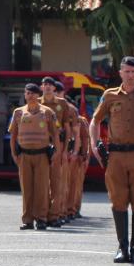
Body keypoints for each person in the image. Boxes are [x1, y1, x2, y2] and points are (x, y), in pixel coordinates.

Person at [89, 56, 134, 264]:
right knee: (118, 200)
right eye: (126, 71)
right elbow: (95, 120)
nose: (130, 75)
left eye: (133, 72)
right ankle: (122, 247)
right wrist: (94, 144)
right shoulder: (109, 95)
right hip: (116, 155)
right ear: (120, 73)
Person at [9, 83, 58, 230]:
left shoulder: (48, 112)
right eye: (27, 93)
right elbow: (13, 135)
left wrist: (56, 152)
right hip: (24, 155)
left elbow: (55, 135)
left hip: (42, 155)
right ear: (25, 95)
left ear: (38, 95)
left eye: (33, 93)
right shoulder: (18, 112)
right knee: (27, 188)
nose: (30, 96)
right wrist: (14, 153)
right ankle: (27, 220)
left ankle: (41, 218)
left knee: (42, 189)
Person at [40, 77, 74, 227]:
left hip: (57, 144)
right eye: (45, 85)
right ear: (41, 87)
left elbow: (67, 128)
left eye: (50, 85)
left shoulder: (62, 104)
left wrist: (65, 150)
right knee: (41, 182)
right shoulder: (36, 102)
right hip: (40, 144)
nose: (47, 87)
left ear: (54, 88)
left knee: (56, 182)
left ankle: (54, 216)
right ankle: (41, 215)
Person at [54, 81, 79, 223]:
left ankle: (62, 212)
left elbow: (75, 134)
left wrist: (74, 151)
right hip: (47, 148)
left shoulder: (69, 109)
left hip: (64, 148)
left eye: (59, 91)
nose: (56, 94)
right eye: (54, 90)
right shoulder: (42, 107)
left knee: (63, 183)